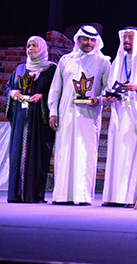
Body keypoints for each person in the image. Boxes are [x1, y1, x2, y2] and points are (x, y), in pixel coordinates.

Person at [47, 25, 110, 205]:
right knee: (64, 152)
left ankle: (82, 196)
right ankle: (62, 195)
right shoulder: (66, 60)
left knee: (85, 152)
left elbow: (108, 89)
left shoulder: (103, 62)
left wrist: (99, 100)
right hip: (66, 114)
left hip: (88, 116)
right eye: (85, 39)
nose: (88, 43)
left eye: (92, 40)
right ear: (78, 39)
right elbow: (55, 88)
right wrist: (53, 112)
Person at [101, 27, 137, 207]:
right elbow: (109, 85)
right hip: (119, 110)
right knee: (118, 152)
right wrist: (108, 96)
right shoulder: (118, 61)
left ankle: (132, 197)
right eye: (124, 37)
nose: (126, 41)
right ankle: (114, 196)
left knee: (135, 152)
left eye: (130, 38)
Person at [5, 36, 57, 203]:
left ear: (42, 48)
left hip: (39, 119)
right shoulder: (20, 69)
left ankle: (33, 194)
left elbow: (56, 92)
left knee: (37, 154)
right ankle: (15, 194)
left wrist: (42, 97)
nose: (31, 49)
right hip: (21, 117)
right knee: (17, 153)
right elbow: (9, 86)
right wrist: (12, 93)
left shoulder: (51, 70)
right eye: (28, 46)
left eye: (35, 46)